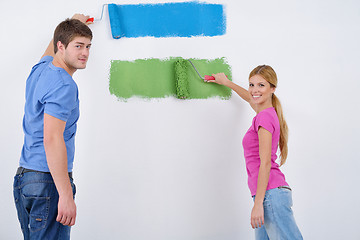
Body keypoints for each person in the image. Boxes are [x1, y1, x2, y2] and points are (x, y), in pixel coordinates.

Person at [13, 14, 92, 239]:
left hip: (25, 182)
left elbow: (51, 50)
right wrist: (66, 195)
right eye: (78, 46)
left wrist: (72, 22)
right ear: (61, 46)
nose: (85, 53)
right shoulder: (64, 85)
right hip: (48, 183)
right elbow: (52, 138)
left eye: (88, 46)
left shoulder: (40, 70)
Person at [208, 66, 303, 239]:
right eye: (251, 85)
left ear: (272, 88)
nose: (254, 90)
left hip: (270, 195)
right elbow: (251, 98)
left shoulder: (264, 117)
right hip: (267, 194)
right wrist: (227, 82)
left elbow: (265, 163)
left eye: (261, 85)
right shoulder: (266, 112)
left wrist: (258, 203)